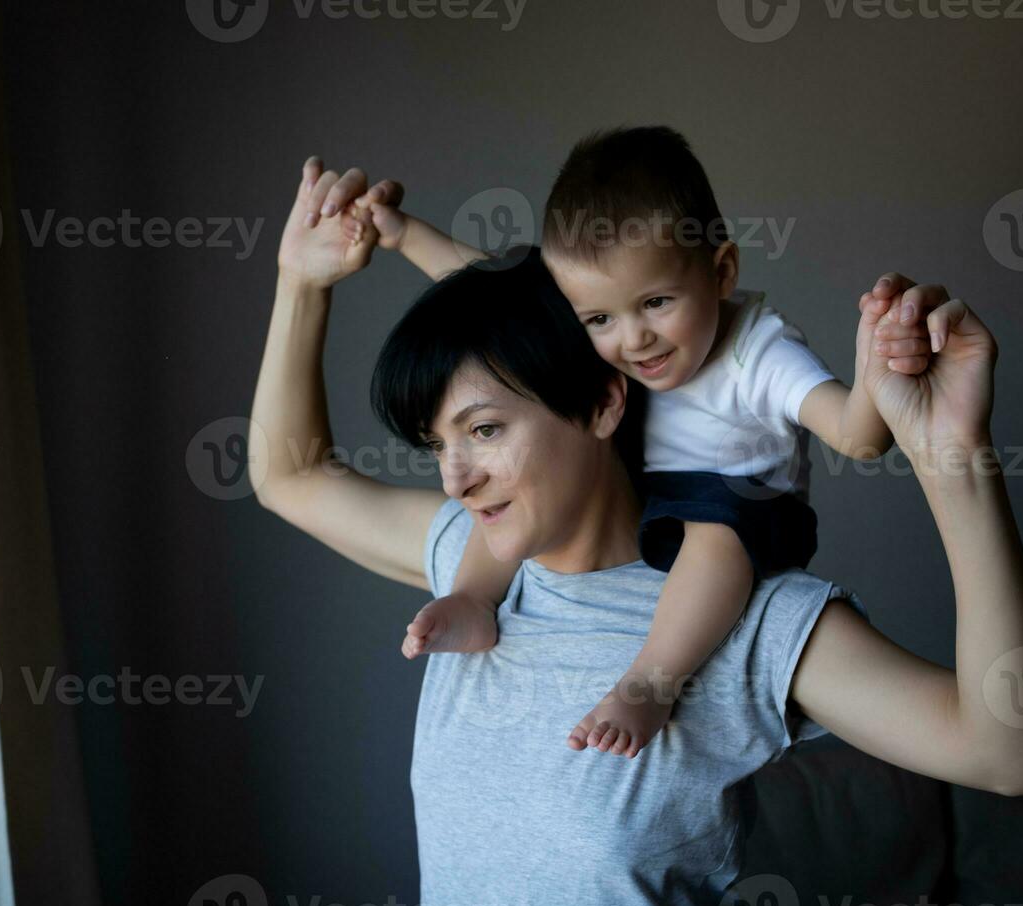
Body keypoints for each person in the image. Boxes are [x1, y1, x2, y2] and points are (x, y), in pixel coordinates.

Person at [249, 157, 1023, 906]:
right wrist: (300, 283)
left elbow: (1015, 755)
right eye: (439, 446)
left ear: (603, 403)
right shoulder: (471, 556)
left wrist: (954, 458)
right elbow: (290, 475)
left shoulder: (743, 613)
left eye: (487, 430)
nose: (455, 478)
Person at [363, 125, 933, 759]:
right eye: (600, 319)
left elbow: (858, 437)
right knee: (510, 492)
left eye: (657, 302)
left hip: (744, 504)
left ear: (721, 271)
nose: (633, 341)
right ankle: (473, 598)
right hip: (660, 485)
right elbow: (495, 307)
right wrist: (404, 233)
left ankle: (650, 682)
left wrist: (880, 365)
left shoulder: (761, 352)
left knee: (711, 535)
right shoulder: (612, 330)